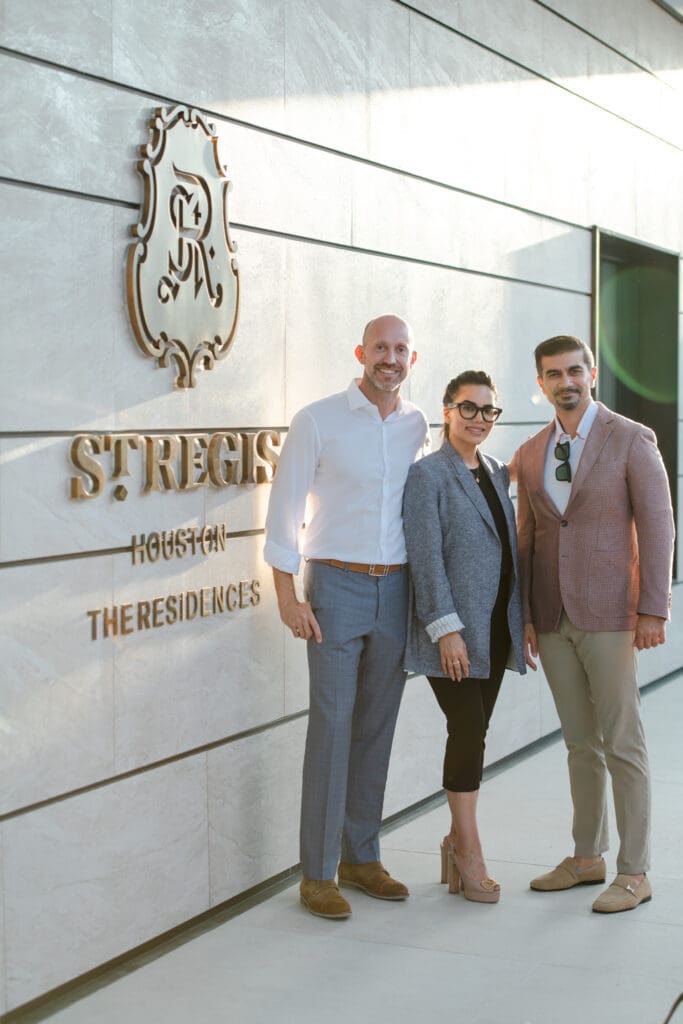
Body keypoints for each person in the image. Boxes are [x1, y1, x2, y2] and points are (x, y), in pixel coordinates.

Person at [264, 314, 430, 920]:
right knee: (331, 729)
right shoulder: (318, 419)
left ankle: (362, 857)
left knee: (376, 728)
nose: (390, 358)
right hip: (335, 586)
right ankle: (317, 875)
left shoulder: (418, 425)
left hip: (398, 589)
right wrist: (287, 595)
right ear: (361, 352)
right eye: (380, 347)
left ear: (414, 358)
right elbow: (283, 509)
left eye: (401, 349)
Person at [515, 334, 674, 913]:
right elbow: (527, 538)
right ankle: (587, 857)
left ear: (592, 375)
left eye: (575, 371)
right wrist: (528, 617)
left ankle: (635, 871)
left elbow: (659, 528)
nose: (566, 382)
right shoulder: (531, 452)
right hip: (552, 616)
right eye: (554, 374)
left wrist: (653, 607)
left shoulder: (632, 439)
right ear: (541, 384)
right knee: (580, 743)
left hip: (611, 613)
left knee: (622, 741)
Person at [403, 371, 530, 904]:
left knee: (475, 732)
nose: (479, 419)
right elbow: (426, 558)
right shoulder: (427, 475)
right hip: (452, 632)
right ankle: (470, 851)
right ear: (447, 410)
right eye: (468, 408)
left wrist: (519, 622)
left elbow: (510, 553)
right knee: (468, 727)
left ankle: (455, 840)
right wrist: (445, 630)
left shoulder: (498, 471)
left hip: (495, 628)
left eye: (488, 411)